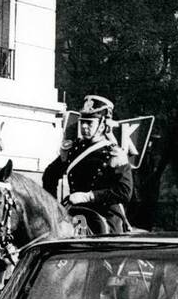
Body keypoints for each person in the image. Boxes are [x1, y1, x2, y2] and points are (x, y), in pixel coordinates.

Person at [42, 94, 133, 234]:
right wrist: (53, 207)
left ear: (102, 125)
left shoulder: (114, 153)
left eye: (89, 123)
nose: (84, 126)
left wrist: (88, 196)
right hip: (74, 211)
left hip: (104, 216)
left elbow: (124, 192)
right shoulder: (73, 149)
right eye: (82, 122)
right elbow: (50, 175)